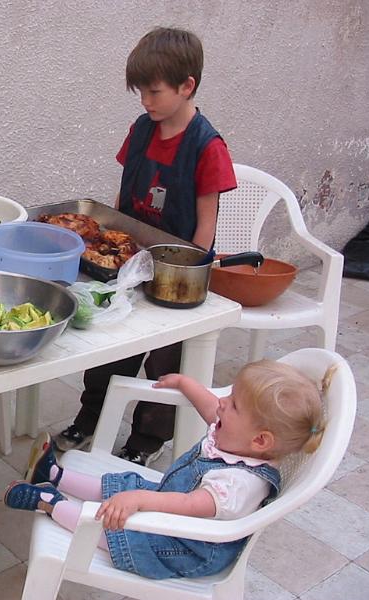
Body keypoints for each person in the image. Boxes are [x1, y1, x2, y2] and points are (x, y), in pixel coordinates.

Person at [56, 27, 237, 464]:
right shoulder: (141, 130)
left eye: (153, 92)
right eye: (140, 92)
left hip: (176, 275)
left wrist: (185, 273)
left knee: (165, 365)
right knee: (111, 346)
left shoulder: (206, 147)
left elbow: (206, 227)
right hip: (130, 262)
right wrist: (112, 240)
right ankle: (91, 417)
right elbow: (123, 199)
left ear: (186, 85)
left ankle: (144, 443)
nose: (146, 101)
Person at [6, 360, 329, 579]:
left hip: (185, 547)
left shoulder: (239, 484)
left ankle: (49, 502)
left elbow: (191, 506)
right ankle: (53, 475)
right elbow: (209, 407)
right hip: (175, 514)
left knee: (119, 532)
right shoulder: (238, 438)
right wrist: (187, 384)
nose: (222, 403)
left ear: (260, 439)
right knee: (127, 483)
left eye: (233, 405)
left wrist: (139, 501)